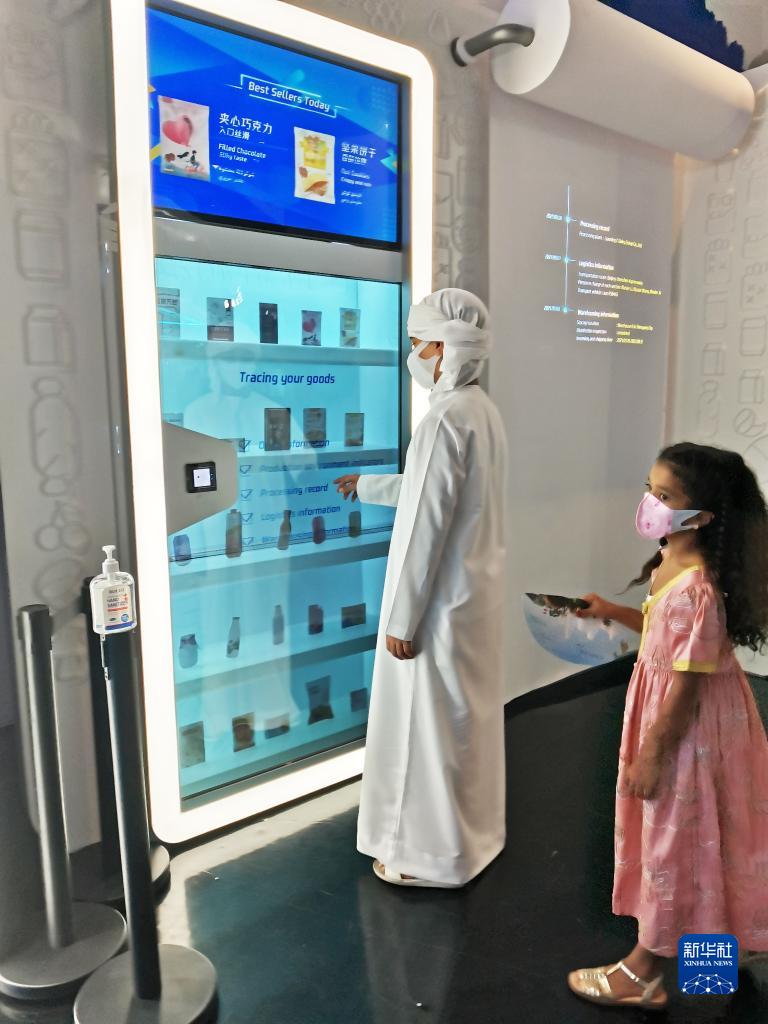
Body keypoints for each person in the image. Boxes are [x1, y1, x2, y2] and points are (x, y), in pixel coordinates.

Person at [568, 442, 768, 1010]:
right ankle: (713, 974)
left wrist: (652, 752)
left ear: (701, 517)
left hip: (689, 734)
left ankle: (643, 974)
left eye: (664, 495)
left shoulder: (698, 588)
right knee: (709, 842)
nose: (649, 504)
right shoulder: (669, 562)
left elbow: (685, 686)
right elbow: (663, 634)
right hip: (692, 725)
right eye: (650, 489)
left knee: (675, 841)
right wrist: (611, 611)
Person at [334, 288, 508, 888]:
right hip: (471, 598)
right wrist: (370, 485)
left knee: (422, 732)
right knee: (462, 729)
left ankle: (422, 858)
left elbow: (426, 525)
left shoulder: (444, 418)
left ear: (444, 347)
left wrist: (402, 621)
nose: (413, 355)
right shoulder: (481, 411)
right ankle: (471, 841)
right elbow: (430, 490)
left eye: (418, 344)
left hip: (434, 606)